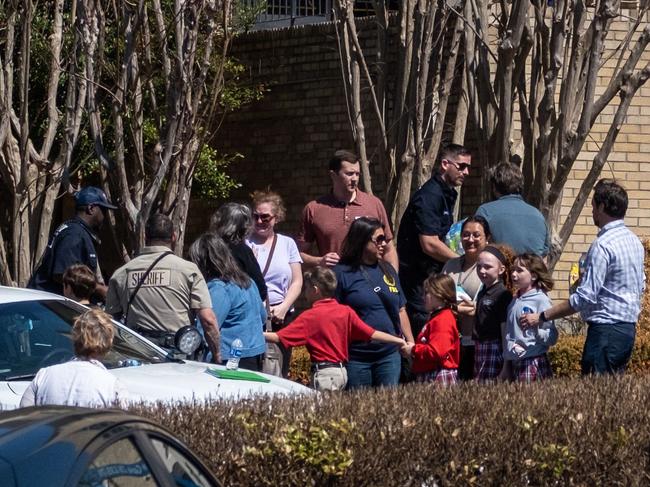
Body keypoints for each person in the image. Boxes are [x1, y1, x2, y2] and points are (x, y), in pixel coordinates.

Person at [521, 179, 645, 375]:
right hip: (627, 331)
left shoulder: (603, 245)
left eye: (594, 206)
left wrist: (543, 316)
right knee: (614, 396)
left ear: (602, 206)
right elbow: (641, 285)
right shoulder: (635, 242)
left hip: (605, 332)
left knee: (595, 397)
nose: (592, 212)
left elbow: (584, 298)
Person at [264, 267, 407, 391]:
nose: (304, 293)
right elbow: (372, 333)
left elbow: (278, 337)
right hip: (343, 372)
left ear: (315, 290)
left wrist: (251, 333)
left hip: (325, 374)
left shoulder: (309, 317)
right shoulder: (346, 311)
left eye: (306, 289)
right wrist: (398, 341)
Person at [105, 214, 220, 360]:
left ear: (146, 236)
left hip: (139, 353)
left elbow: (110, 321)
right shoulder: (188, 271)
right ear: (174, 236)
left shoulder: (122, 273)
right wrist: (217, 355)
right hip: (178, 354)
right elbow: (208, 320)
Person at [397, 144, 472, 336]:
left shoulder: (446, 193)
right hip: (418, 281)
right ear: (445, 164)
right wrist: (461, 263)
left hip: (433, 277)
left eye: (468, 167)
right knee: (425, 333)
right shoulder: (431, 195)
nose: (466, 172)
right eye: (462, 166)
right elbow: (429, 243)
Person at [334, 217, 414, 389]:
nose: (384, 244)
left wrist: (410, 341)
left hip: (389, 356)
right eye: (378, 239)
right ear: (362, 241)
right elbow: (333, 317)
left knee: (387, 408)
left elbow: (401, 309)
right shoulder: (342, 273)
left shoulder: (388, 270)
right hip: (356, 358)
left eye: (384, 238)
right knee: (359, 409)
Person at [296, 150, 398, 269]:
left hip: (369, 282)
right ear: (333, 175)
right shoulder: (314, 209)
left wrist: (394, 282)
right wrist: (319, 261)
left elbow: (388, 249)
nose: (354, 179)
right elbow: (297, 255)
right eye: (349, 174)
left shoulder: (373, 204)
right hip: (334, 282)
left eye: (357, 174)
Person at [189, 233, 267, 372]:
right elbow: (262, 317)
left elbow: (208, 324)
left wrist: (216, 354)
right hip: (255, 353)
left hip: (229, 359)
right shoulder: (248, 282)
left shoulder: (218, 288)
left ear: (203, 262)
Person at [20, 308, 128, 408]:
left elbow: (23, 418)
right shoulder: (112, 386)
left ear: (74, 338)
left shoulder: (44, 376)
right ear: (109, 342)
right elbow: (124, 426)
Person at [247, 189, 303, 377]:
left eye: (265, 217)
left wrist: (284, 307)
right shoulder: (245, 244)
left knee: (279, 367)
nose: (260, 222)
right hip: (253, 313)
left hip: (281, 316)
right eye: (255, 217)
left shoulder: (287, 244)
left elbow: (297, 281)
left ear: (276, 218)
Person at [29, 186, 117, 299]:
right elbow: (65, 274)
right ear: (91, 209)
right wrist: (99, 289)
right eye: (103, 210)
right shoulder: (74, 235)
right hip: (47, 307)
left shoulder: (78, 231)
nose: (104, 216)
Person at [441, 216, 490, 380]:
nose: (470, 239)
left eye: (476, 235)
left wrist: (478, 308)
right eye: (466, 235)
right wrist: (453, 308)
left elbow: (500, 302)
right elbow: (438, 296)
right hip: (451, 343)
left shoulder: (491, 268)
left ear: (487, 239)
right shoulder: (451, 265)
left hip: (480, 343)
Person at [503, 254, 558, 382]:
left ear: (533, 275)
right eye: (513, 270)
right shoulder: (515, 300)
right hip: (514, 361)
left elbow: (552, 336)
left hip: (532, 361)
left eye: (519, 270)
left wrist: (537, 329)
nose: (513, 274)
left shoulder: (541, 300)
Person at [475, 162, 549, 256]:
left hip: (499, 268)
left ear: (494, 187)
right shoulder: (538, 215)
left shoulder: (485, 211)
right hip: (531, 269)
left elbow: (475, 247)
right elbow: (544, 253)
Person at [401, 274, 460, 385]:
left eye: (427, 293)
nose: (423, 297)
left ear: (440, 294)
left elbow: (437, 351)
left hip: (437, 374)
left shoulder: (443, 319)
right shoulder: (436, 317)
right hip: (431, 372)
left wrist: (413, 350)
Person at [210, 202, 268, 302]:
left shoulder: (206, 247)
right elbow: (261, 290)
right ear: (244, 227)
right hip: (236, 310)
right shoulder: (243, 251)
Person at [473, 245, 513, 383]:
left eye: (488, 267)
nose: (482, 271)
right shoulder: (483, 291)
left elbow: (505, 328)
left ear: (501, 269)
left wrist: (506, 363)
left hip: (494, 347)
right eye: (479, 266)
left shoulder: (502, 294)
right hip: (480, 346)